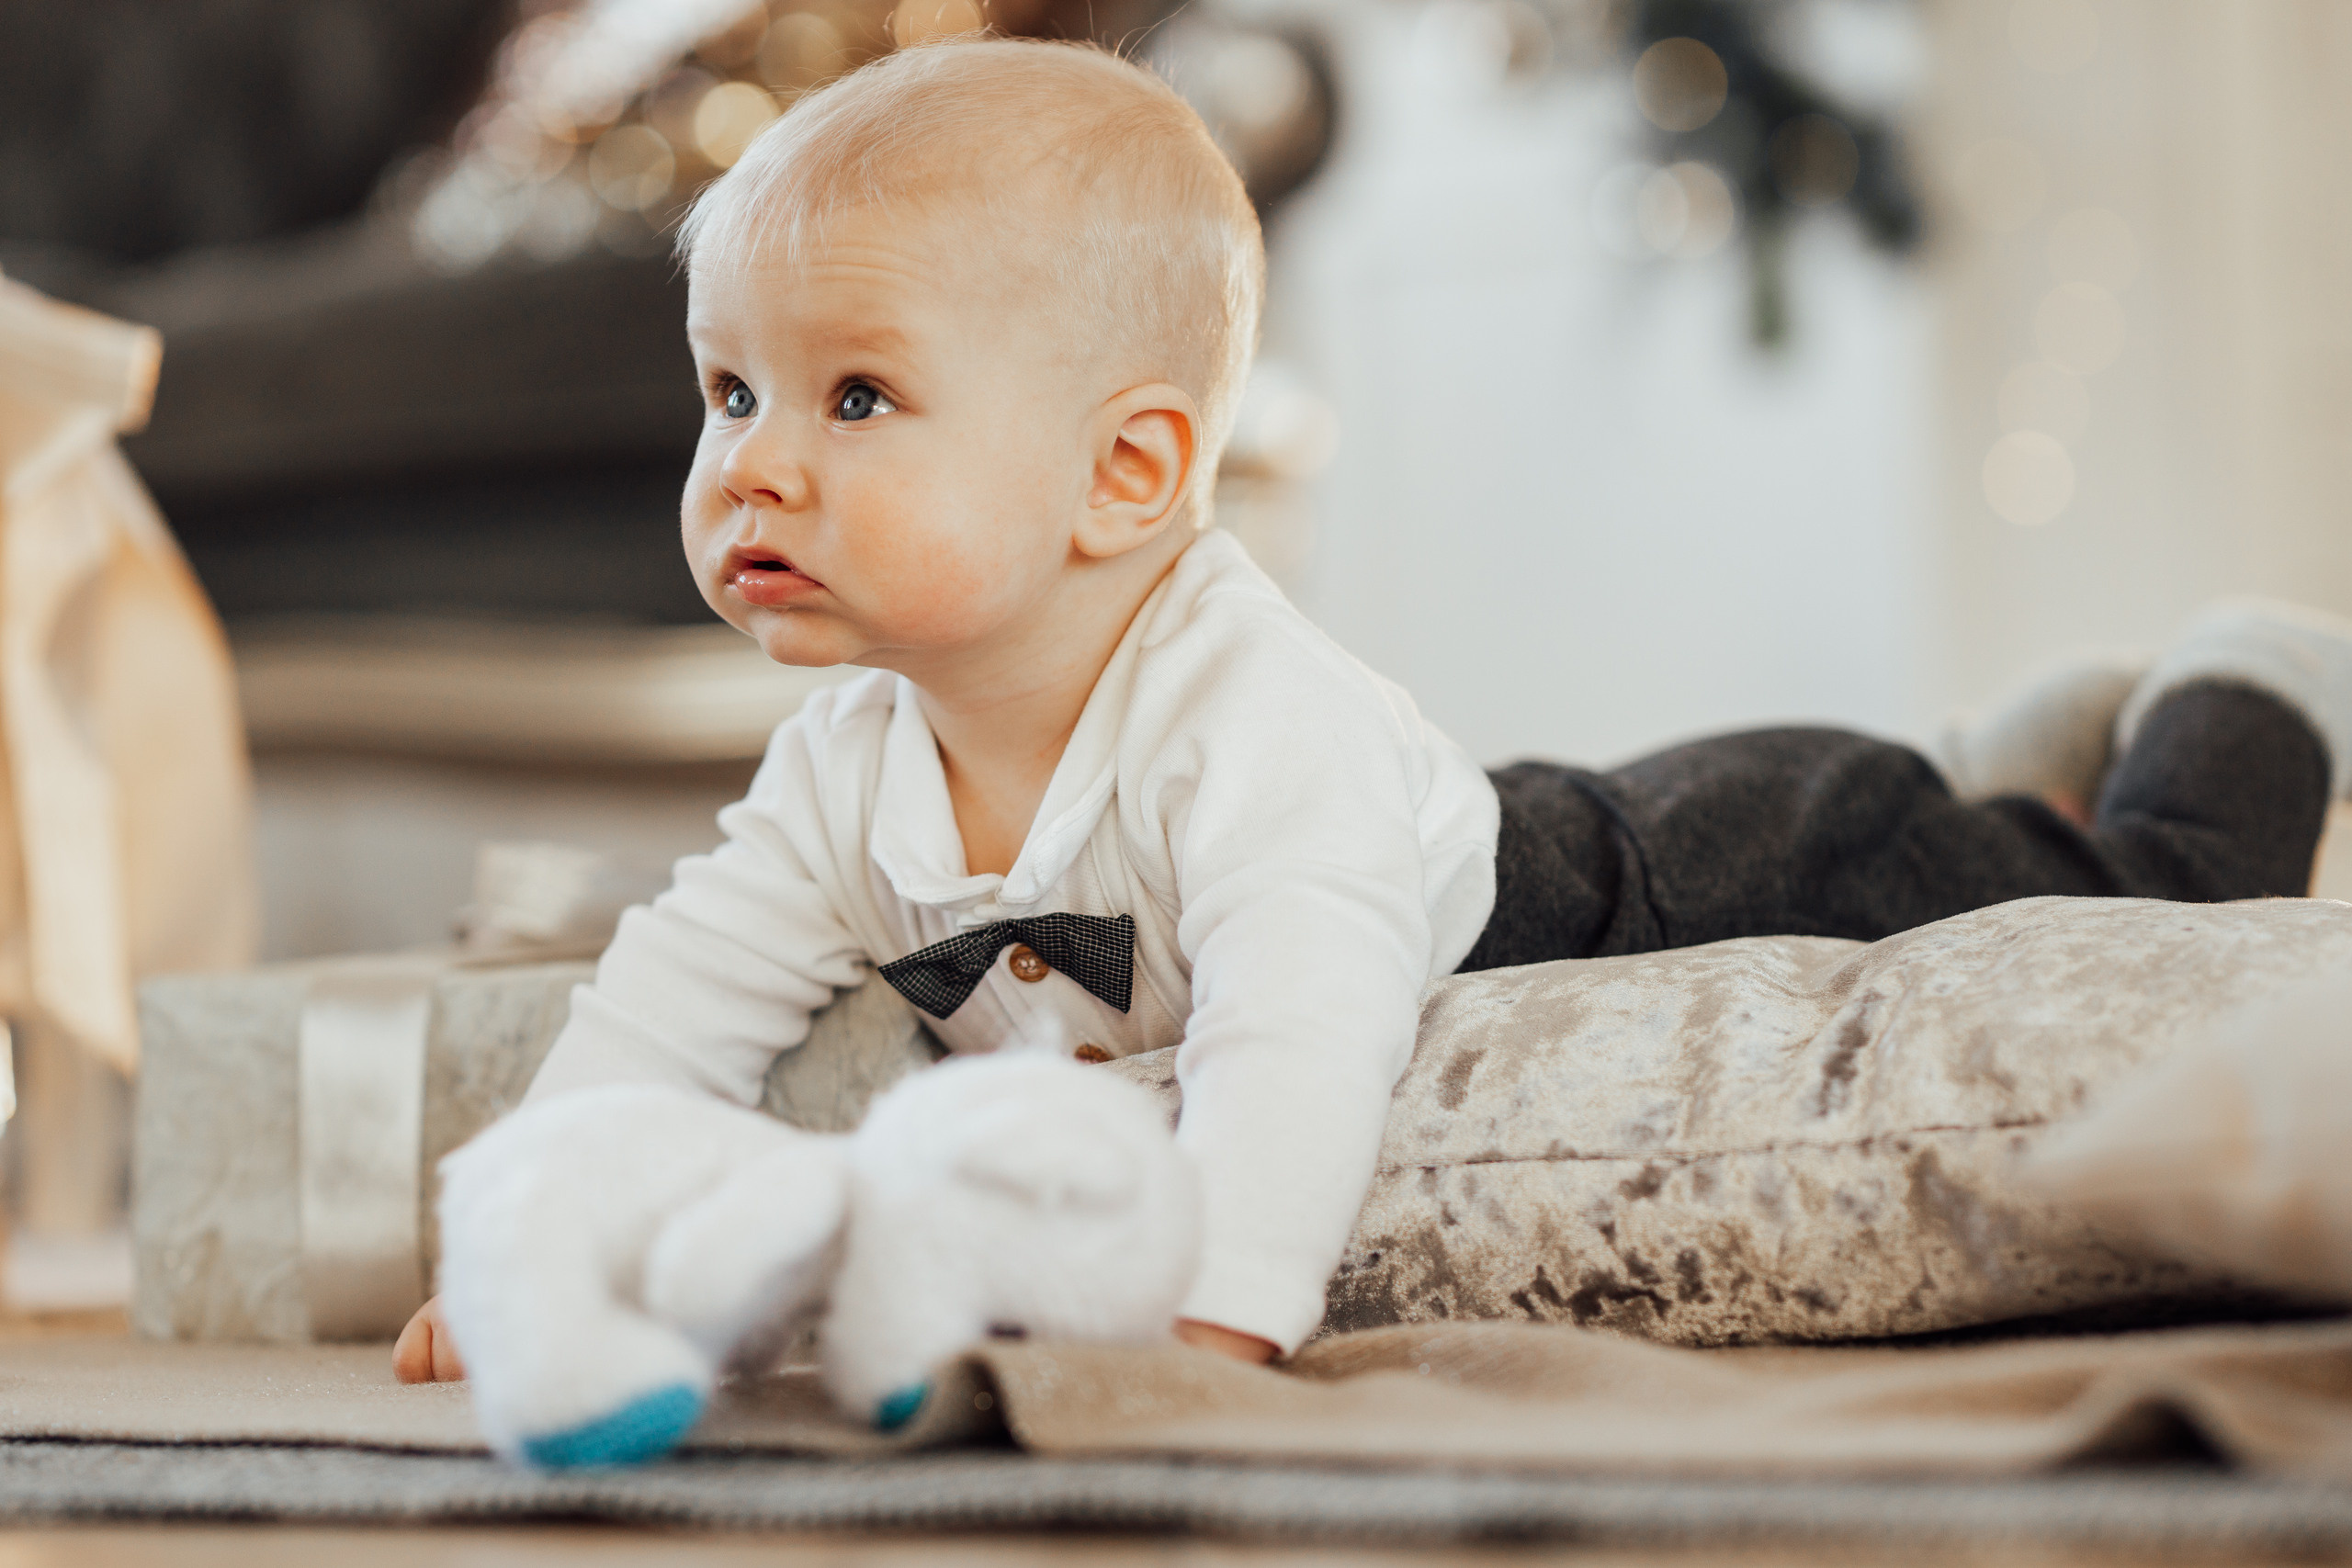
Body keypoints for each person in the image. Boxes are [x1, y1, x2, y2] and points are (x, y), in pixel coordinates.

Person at [395, 37, 2352, 1382]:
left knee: (2096, 886)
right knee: (1967, 806)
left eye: (853, 400)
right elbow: (671, 999)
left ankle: (2245, 683)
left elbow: (1301, 1033)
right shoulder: (840, 764)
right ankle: (2011, 747)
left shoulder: (1248, 715)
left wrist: (1225, 1308)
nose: (750, 467)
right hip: (1461, 828)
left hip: (1645, 874)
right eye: (726, 393)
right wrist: (520, 1246)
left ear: (1125, 474)